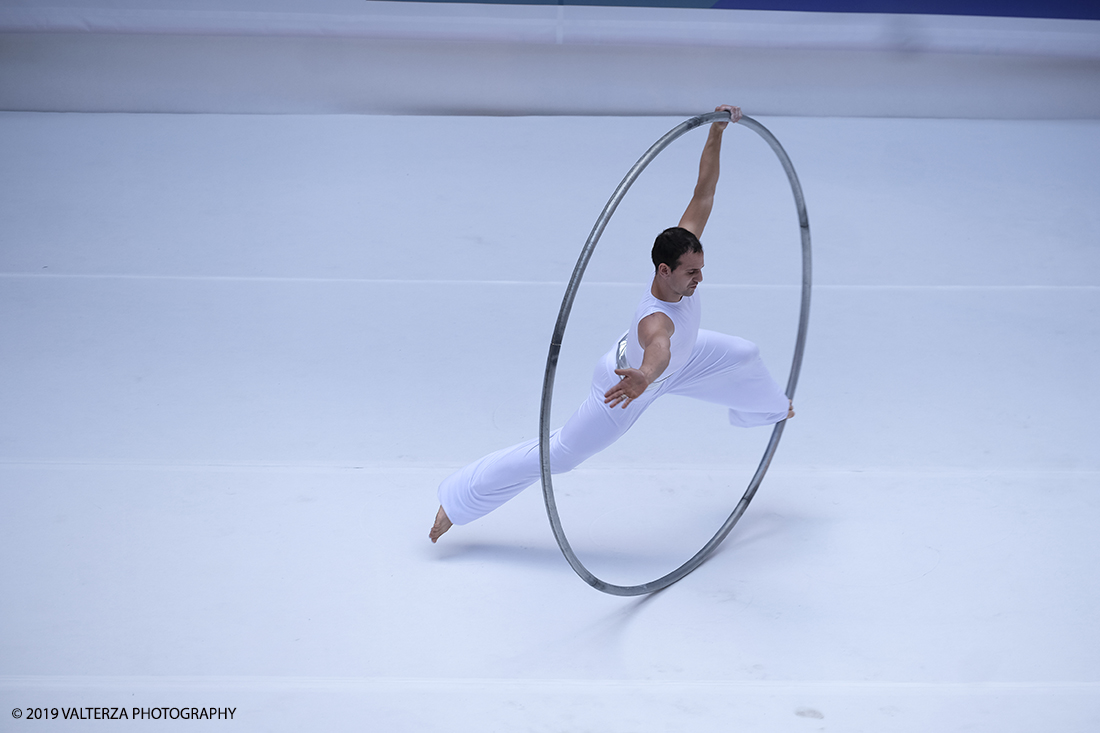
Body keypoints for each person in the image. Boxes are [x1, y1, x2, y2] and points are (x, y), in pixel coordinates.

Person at [430, 104, 793, 543]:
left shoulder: (679, 257)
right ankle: (459, 499)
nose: (700, 279)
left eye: (700, 269)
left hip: (682, 361)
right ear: (664, 271)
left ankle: (770, 408)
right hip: (626, 387)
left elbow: (703, 194)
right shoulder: (656, 320)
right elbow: (658, 347)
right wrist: (642, 375)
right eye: (691, 273)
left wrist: (716, 131)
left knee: (744, 354)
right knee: (561, 454)